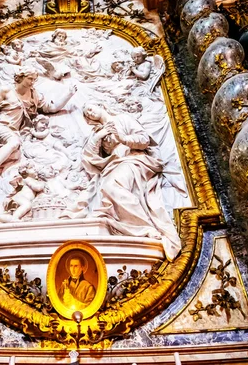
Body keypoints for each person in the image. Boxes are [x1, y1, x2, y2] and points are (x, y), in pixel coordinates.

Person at [61, 102, 181, 261]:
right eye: (87, 114)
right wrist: (99, 136)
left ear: (100, 105)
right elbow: (89, 157)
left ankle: (145, 227)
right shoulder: (98, 132)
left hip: (134, 160)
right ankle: (135, 225)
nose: (89, 113)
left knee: (112, 186)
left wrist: (124, 139)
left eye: (90, 108)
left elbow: (144, 139)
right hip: (114, 166)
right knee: (103, 187)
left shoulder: (122, 119)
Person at [0, 66, 77, 195]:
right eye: (30, 78)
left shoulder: (34, 95)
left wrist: (69, 94)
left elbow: (51, 108)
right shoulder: (6, 90)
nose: (32, 82)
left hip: (15, 131)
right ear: (21, 77)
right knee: (13, 143)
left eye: (34, 79)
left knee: (16, 155)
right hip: (0, 125)